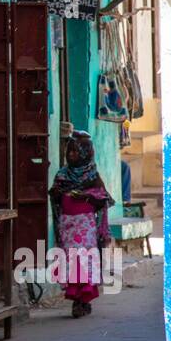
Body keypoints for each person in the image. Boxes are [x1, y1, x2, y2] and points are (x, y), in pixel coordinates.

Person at [49, 130, 114, 318]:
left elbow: (103, 199)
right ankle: (77, 299)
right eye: (69, 152)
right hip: (67, 226)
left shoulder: (92, 175)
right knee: (71, 262)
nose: (71, 155)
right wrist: (59, 194)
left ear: (86, 153)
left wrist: (86, 196)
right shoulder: (62, 174)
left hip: (85, 227)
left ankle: (82, 301)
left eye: (76, 152)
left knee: (83, 262)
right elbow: (55, 195)